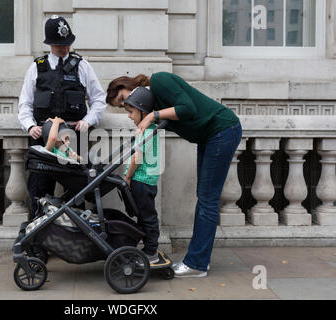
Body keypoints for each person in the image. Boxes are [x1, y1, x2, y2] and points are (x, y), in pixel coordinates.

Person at [106, 72, 242, 277]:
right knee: (205, 197)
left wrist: (152, 115)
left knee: (208, 199)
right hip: (210, 136)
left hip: (222, 129)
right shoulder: (155, 105)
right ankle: (199, 260)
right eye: (123, 106)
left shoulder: (160, 81)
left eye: (124, 99)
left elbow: (189, 108)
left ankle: (196, 263)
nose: (129, 107)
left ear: (129, 86)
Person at [18, 15, 107, 218]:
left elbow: (99, 99)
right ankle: (38, 239)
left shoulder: (82, 66)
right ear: (49, 44)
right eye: (59, 45)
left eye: (67, 44)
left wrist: (88, 120)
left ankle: (72, 237)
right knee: (39, 190)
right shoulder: (36, 67)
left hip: (74, 139)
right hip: (43, 140)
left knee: (76, 192)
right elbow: (25, 103)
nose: (64, 49)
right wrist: (30, 126)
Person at [114, 87, 161, 264]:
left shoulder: (147, 132)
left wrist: (127, 177)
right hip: (145, 181)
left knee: (147, 217)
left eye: (131, 112)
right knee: (144, 216)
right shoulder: (150, 129)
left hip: (141, 181)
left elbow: (137, 157)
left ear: (142, 112)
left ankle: (151, 252)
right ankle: (147, 248)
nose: (129, 116)